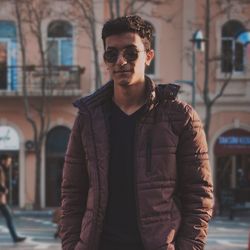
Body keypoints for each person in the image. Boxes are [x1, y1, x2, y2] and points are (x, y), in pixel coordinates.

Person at [60, 15, 214, 250]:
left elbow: (199, 195)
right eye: (112, 54)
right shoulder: (88, 118)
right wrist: (72, 245)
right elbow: (73, 193)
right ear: (106, 61)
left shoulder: (180, 117)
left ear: (148, 57)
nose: (121, 61)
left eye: (131, 53)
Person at [0, 154, 26, 243]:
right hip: (1, 200)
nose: (9, 163)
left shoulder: (2, 170)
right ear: (3, 160)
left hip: (2, 200)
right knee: (9, 217)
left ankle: (15, 237)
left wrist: (4, 189)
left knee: (9, 216)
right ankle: (15, 237)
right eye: (8, 161)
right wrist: (3, 189)